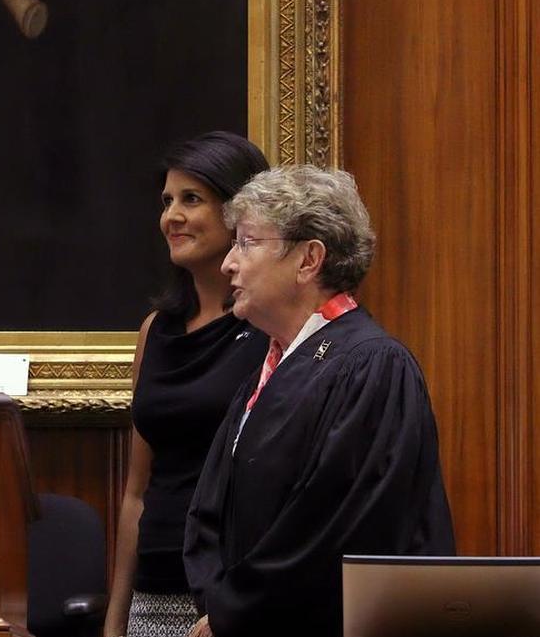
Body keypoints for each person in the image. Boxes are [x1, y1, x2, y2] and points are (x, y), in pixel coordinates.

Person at [183, 165, 456, 637]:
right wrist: (216, 602)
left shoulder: (372, 365)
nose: (228, 263)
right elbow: (209, 508)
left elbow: (336, 528)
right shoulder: (268, 370)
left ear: (308, 260)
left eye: (246, 242)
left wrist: (234, 610)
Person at [103, 132, 270, 637]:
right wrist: (116, 618)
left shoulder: (269, 327)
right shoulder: (156, 330)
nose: (171, 216)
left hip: (225, 593)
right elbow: (137, 490)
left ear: (240, 211)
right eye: (167, 201)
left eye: (191, 199)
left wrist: (234, 605)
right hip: (153, 591)